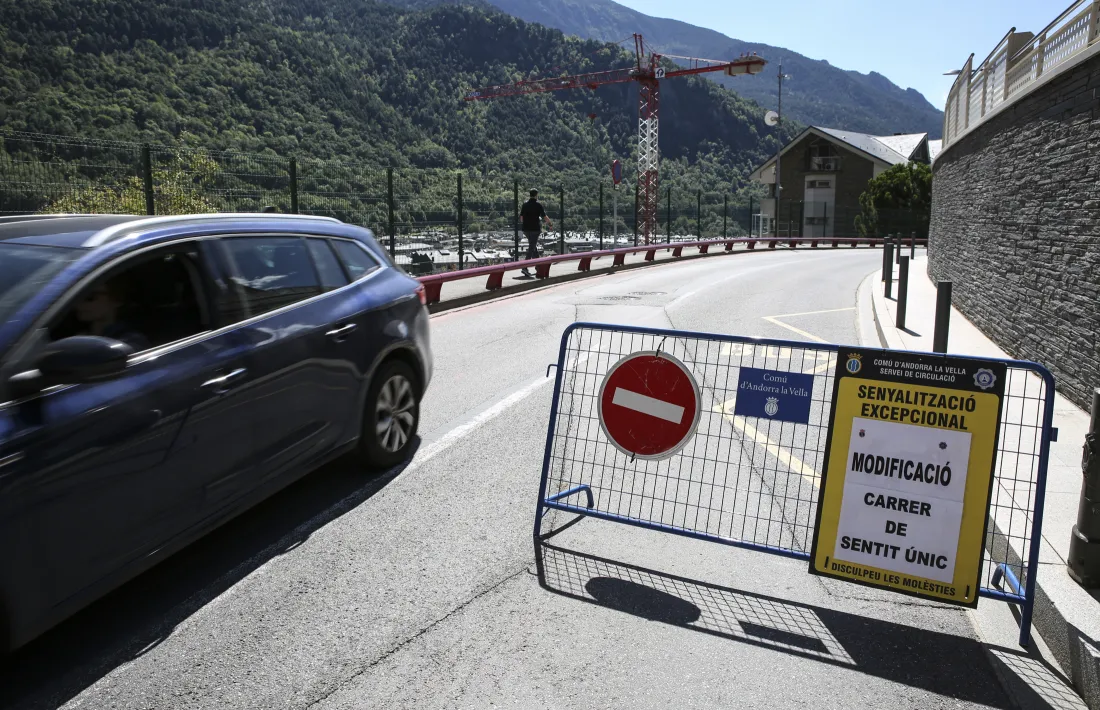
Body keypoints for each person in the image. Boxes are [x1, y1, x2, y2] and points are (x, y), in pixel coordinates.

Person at [72, 278, 150, 351]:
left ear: (117, 299)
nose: (79, 303)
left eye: (90, 297)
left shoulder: (130, 341)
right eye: (78, 297)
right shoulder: (79, 337)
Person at [519, 189, 552, 277]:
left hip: (526, 229)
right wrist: (550, 224)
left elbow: (521, 218)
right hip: (535, 229)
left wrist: (526, 222)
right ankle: (524, 267)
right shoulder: (538, 205)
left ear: (530, 194)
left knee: (533, 246)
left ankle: (538, 266)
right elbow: (544, 216)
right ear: (536, 195)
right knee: (531, 247)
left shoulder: (525, 204)